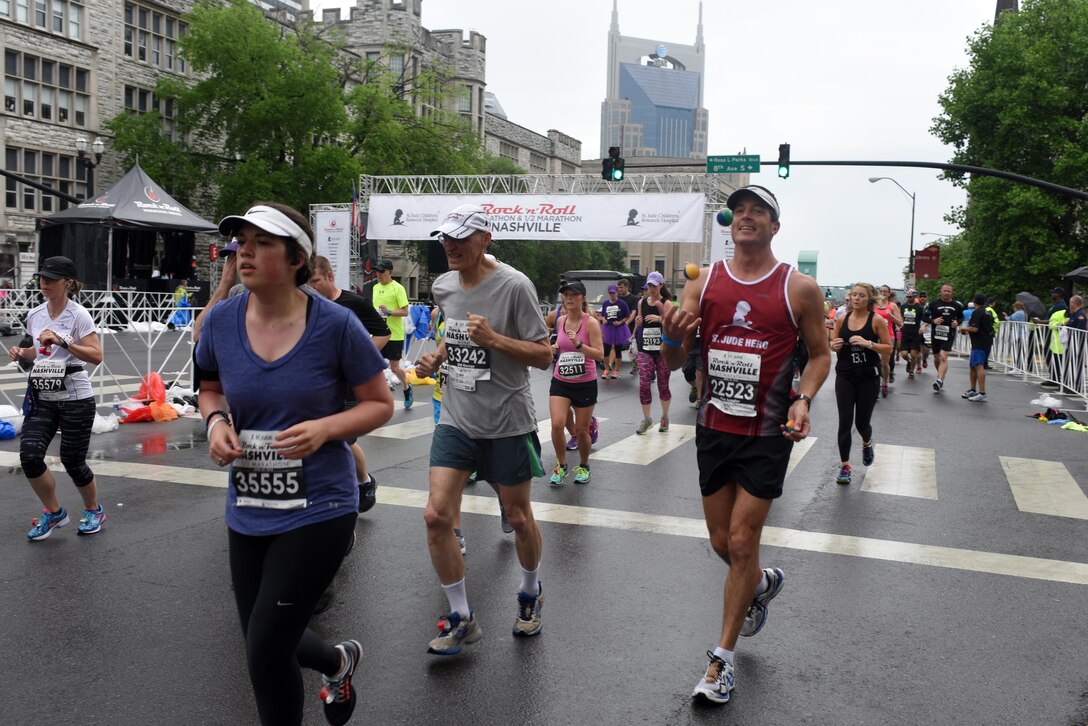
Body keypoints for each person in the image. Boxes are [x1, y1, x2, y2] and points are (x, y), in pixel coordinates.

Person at [195, 202, 393, 725]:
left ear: (297, 257)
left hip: (320, 506)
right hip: (250, 504)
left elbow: (380, 402)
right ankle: (337, 661)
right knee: (263, 637)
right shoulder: (220, 321)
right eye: (242, 242)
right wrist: (217, 424)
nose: (245, 253)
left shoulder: (336, 326)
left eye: (262, 243)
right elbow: (209, 388)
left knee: (264, 648)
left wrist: (326, 428)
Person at [660, 185, 830, 706]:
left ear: (775, 227)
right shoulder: (705, 282)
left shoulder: (798, 288)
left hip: (767, 433)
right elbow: (672, 363)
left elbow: (821, 355)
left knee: (739, 541)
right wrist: (670, 335)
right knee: (720, 542)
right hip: (714, 428)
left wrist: (803, 400)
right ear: (731, 223)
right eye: (741, 211)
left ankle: (721, 662)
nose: (748, 217)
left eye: (760, 211)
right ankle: (759, 583)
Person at [415, 203, 552, 655]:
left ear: (485, 239)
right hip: (457, 416)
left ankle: (530, 591)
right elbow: (454, 337)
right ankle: (461, 617)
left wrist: (494, 340)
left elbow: (542, 354)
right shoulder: (443, 286)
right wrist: (438, 355)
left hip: (506, 421)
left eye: (460, 237)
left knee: (517, 518)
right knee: (436, 515)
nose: (450, 246)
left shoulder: (515, 286)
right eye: (445, 238)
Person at [10, 256, 106, 540]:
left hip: (76, 396)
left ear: (68, 283)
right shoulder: (36, 314)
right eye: (42, 277)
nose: (44, 283)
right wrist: (21, 352)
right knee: (29, 456)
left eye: (51, 279)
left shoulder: (79, 315)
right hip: (42, 394)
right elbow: (36, 353)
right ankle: (53, 512)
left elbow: (97, 355)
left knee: (73, 461)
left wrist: (64, 342)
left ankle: (93, 509)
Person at [308, 255, 391, 512]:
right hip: (319, 387)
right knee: (337, 441)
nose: (311, 288)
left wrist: (357, 360)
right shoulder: (305, 304)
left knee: (339, 441)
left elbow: (383, 332)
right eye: (307, 283)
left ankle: (349, 493)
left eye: (316, 281)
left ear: (330, 277)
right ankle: (361, 482)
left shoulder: (353, 303)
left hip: (350, 388)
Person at [830, 283, 892, 484]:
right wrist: (834, 345)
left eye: (861, 295)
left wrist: (869, 344)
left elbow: (888, 349)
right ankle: (845, 466)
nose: (856, 298)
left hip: (868, 378)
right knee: (844, 423)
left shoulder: (877, 321)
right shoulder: (841, 319)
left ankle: (866, 442)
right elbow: (832, 344)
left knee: (862, 423)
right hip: (845, 376)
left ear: (869, 299)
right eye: (854, 295)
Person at [548, 280, 604, 486]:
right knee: (556, 425)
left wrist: (579, 345)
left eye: (574, 294)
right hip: (561, 380)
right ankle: (561, 465)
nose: (569, 298)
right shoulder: (560, 320)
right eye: (566, 294)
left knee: (581, 431)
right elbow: (555, 342)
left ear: (583, 298)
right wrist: (552, 348)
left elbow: (599, 354)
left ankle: (584, 465)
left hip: (585, 383)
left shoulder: (591, 323)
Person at [634, 271, 673, 434]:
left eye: (654, 286)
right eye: (649, 285)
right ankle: (647, 419)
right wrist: (639, 322)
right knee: (643, 384)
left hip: (663, 350)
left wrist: (660, 319)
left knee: (663, 385)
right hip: (645, 349)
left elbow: (673, 324)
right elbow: (641, 324)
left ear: (661, 286)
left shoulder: (667, 303)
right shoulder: (642, 302)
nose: (651, 289)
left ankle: (664, 417)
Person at [372, 259, 413, 409]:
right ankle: (377, 395)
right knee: (373, 363)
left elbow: (405, 311)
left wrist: (389, 312)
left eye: (382, 271)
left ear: (390, 272)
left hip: (394, 334)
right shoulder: (375, 287)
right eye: (377, 271)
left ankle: (406, 387)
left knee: (395, 368)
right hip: (378, 333)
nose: (379, 274)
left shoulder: (398, 288)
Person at [923, 284, 964, 393]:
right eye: (944, 291)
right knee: (937, 357)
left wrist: (957, 323)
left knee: (943, 357)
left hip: (949, 334)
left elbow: (961, 317)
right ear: (941, 292)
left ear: (952, 293)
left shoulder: (957, 305)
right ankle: (940, 375)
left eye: (948, 291)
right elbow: (924, 316)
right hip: (936, 334)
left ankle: (940, 380)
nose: (946, 293)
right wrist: (933, 321)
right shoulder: (933, 304)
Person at [958, 292, 994, 402]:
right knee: (972, 365)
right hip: (984, 341)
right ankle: (972, 389)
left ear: (974, 301)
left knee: (979, 365)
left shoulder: (977, 312)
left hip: (980, 343)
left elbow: (975, 329)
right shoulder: (987, 311)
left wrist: (964, 329)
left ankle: (982, 392)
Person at [873, 285, 902, 397]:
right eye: (881, 291)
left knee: (884, 363)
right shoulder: (874, 305)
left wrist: (891, 315)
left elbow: (900, 323)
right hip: (874, 336)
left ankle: (884, 383)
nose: (883, 293)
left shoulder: (892, 306)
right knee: (874, 362)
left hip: (888, 337)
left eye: (885, 292)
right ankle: (875, 384)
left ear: (889, 294)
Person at [598, 283, 631, 379]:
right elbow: (603, 315)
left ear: (617, 293)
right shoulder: (605, 303)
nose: (612, 295)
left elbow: (627, 316)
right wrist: (604, 320)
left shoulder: (622, 303)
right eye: (610, 293)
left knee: (618, 350)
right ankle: (607, 369)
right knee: (606, 350)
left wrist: (620, 322)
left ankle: (616, 370)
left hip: (619, 329)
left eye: (613, 293)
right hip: (608, 328)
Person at [898, 289, 926, 379]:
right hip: (905, 333)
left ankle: (911, 371)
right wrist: (900, 324)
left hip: (915, 334)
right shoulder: (903, 306)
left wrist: (923, 326)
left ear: (914, 297)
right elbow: (901, 317)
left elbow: (927, 319)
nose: (908, 298)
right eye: (907, 296)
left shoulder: (919, 308)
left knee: (914, 354)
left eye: (910, 297)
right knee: (904, 354)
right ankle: (909, 362)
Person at [616, 277, 640, 374]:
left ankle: (635, 366)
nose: (619, 289)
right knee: (615, 346)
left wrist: (625, 324)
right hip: (618, 326)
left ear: (626, 287)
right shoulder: (617, 298)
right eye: (618, 287)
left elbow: (633, 313)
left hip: (630, 327)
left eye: (621, 287)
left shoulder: (634, 298)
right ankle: (612, 366)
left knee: (632, 349)